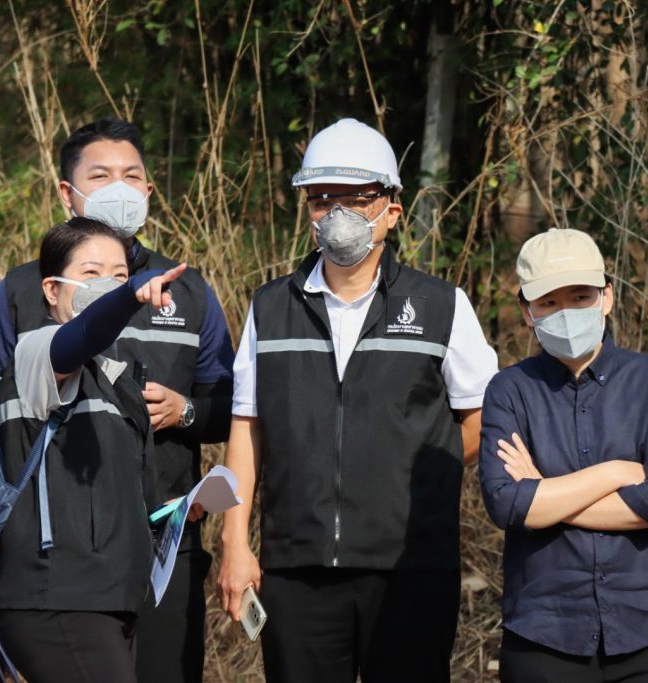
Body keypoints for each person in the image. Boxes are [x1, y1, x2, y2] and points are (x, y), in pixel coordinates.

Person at [217, 118, 499, 683]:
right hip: (295, 567)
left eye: (355, 199)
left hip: (410, 566)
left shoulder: (441, 306)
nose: (337, 214)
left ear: (392, 209)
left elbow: (483, 418)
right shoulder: (270, 307)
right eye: (322, 199)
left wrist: (414, 476)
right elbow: (247, 431)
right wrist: (234, 543)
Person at [0, 118, 233, 682]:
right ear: (67, 191)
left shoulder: (188, 288)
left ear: (149, 189)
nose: (119, 187)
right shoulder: (30, 300)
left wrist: (185, 411)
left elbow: (228, 405)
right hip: (54, 562)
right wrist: (125, 296)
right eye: (101, 175)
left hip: (155, 546)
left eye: (131, 175)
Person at [478, 227, 648, 682]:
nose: (567, 313)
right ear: (527, 312)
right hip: (545, 635)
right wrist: (616, 472)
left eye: (580, 296)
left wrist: (545, 494)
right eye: (549, 303)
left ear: (608, 298)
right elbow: (507, 505)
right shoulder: (509, 391)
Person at [0, 216, 191, 683]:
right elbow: (81, 336)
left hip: (112, 596)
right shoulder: (36, 352)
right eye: (91, 273)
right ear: (51, 290)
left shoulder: (118, 379)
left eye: (119, 274)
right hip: (57, 594)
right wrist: (127, 294)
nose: (107, 285)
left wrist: (176, 511)